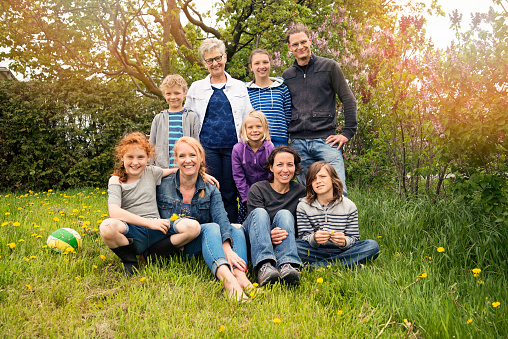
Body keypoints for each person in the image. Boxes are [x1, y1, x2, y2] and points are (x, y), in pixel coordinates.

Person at [156, 137, 253, 300]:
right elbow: (139, 175)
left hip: (199, 246)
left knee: (235, 227)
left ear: (201, 158)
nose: (188, 160)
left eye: (193, 155)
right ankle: (228, 281)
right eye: (182, 156)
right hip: (173, 245)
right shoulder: (161, 185)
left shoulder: (209, 187)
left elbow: (221, 218)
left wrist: (227, 248)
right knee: (211, 227)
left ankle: (240, 275)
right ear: (176, 159)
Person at [99, 132, 201, 277]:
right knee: (107, 227)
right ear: (122, 158)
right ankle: (130, 260)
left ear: (148, 158)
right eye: (130, 157)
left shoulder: (152, 172)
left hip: (158, 230)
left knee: (193, 228)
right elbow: (114, 212)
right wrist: (148, 223)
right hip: (133, 233)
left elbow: (180, 170)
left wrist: (201, 173)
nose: (135, 162)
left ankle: (154, 254)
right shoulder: (116, 180)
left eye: (140, 157)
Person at [282, 23, 358, 196]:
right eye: (295, 44)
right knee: (309, 195)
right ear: (289, 48)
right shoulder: (287, 76)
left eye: (303, 42)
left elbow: (348, 99)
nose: (300, 47)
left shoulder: (329, 67)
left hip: (327, 141)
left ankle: (340, 223)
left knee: (339, 192)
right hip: (298, 144)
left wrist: (347, 132)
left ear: (310, 40)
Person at [185, 38, 253, 223]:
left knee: (230, 191)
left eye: (217, 58)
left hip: (234, 148)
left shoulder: (239, 86)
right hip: (207, 148)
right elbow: (187, 118)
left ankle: (231, 230)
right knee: (210, 189)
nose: (214, 63)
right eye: (209, 60)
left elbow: (249, 116)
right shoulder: (196, 88)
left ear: (225, 57)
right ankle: (212, 230)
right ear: (204, 63)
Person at [242, 145, 306, 287]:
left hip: (282, 236)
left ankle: (287, 265)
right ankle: (264, 266)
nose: (285, 170)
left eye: (290, 165)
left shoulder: (301, 192)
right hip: (254, 235)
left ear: (295, 168)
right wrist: (267, 234)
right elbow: (255, 221)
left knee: (285, 214)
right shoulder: (258, 189)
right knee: (259, 212)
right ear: (271, 167)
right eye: (279, 165)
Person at [296, 161, 379, 267]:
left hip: (342, 251)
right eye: (313, 179)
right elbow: (304, 237)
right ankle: (345, 263)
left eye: (322, 176)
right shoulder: (303, 206)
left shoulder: (349, 206)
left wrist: (344, 242)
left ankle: (319, 265)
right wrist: (314, 238)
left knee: (372, 246)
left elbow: (354, 238)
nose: (318, 181)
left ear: (332, 179)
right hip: (315, 251)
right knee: (294, 245)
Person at [231, 110, 275, 224]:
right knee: (245, 219)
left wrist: (269, 193)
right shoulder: (238, 149)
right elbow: (238, 176)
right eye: (250, 127)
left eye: (258, 126)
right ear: (244, 130)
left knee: (266, 219)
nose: (254, 130)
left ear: (265, 128)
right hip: (246, 193)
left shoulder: (270, 148)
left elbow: (272, 173)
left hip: (267, 193)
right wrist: (246, 197)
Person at [150, 74, 200, 168]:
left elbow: (196, 145)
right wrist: (150, 167)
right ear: (164, 94)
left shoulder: (192, 117)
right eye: (168, 93)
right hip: (162, 171)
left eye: (177, 93)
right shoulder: (158, 118)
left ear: (185, 93)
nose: (173, 97)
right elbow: (151, 145)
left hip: (185, 168)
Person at [246, 49, 292, 146]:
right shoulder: (246, 91)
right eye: (257, 63)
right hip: (255, 141)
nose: (262, 66)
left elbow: (288, 116)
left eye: (265, 62)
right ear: (251, 67)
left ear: (270, 64)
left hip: (279, 140)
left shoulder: (282, 88)